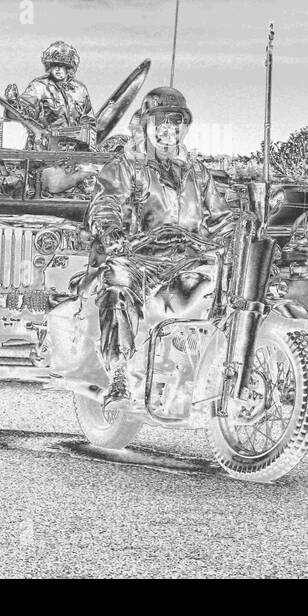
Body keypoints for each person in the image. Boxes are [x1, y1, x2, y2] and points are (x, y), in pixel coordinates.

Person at [85, 86, 232, 407]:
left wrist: (237, 233)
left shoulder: (197, 172)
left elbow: (221, 216)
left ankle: (224, 367)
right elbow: (106, 200)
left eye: (176, 122)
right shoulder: (126, 167)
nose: (169, 129)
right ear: (147, 125)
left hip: (192, 257)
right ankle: (120, 375)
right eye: (162, 121)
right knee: (117, 285)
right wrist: (111, 230)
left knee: (232, 287)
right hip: (141, 258)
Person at [4, 41, 94, 133]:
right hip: (43, 144)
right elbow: (23, 113)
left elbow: (90, 121)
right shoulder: (39, 86)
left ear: (69, 68)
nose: (57, 69)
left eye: (61, 65)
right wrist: (13, 101)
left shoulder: (80, 90)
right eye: (54, 65)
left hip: (75, 144)